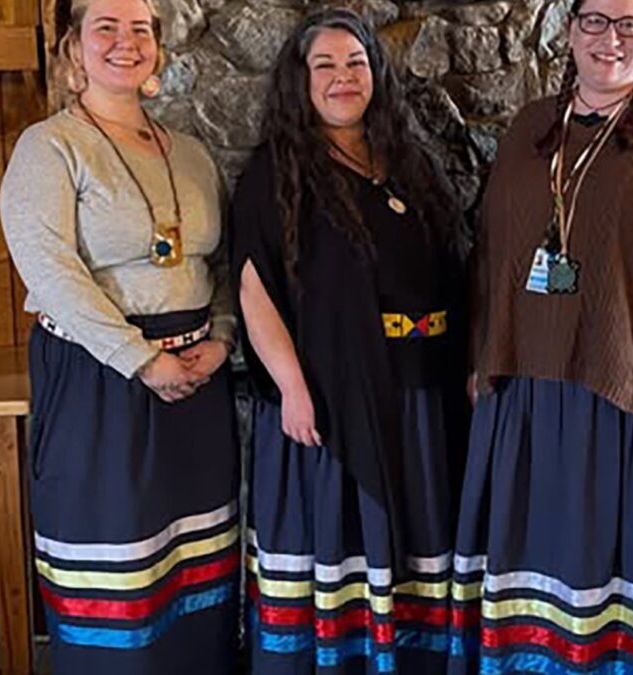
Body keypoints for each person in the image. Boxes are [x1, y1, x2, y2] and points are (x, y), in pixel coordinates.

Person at [451, 0, 633, 673]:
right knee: (538, 558)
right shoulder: (531, 127)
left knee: (628, 572)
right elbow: (490, 251)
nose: (609, 39)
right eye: (594, 21)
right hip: (527, 391)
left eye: (627, 24)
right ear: (570, 29)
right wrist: (480, 356)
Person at [0, 1, 239, 672]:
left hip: (195, 381)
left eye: (141, 28)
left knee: (195, 565)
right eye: (106, 26)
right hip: (98, 381)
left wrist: (220, 338)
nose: (125, 42)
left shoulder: (190, 154)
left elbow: (220, 264)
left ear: (158, 50)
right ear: (75, 48)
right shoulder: (48, 147)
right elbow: (48, 269)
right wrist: (139, 360)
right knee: (116, 568)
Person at [231, 8, 468, 674]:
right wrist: (293, 389)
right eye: (324, 66)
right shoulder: (273, 175)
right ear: (299, 82)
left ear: (375, 73)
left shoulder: (410, 162)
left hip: (420, 394)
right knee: (345, 542)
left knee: (416, 544)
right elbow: (255, 291)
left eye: (355, 63)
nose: (342, 78)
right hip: (331, 402)